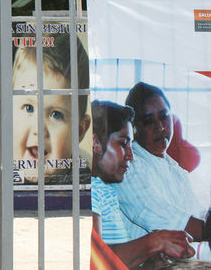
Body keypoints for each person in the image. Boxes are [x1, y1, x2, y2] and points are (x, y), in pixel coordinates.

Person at [90, 100, 194, 269]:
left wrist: (148, 261)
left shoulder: (105, 190)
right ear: (95, 143)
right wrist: (155, 241)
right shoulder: (89, 192)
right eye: (123, 143)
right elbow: (93, 260)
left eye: (131, 145)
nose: (130, 155)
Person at [113, 82, 210, 260]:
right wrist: (207, 229)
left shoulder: (175, 169)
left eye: (164, 116)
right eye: (148, 121)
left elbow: (197, 214)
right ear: (134, 127)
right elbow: (165, 219)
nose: (160, 126)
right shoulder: (128, 166)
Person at [11, 31, 91, 184]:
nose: (39, 129)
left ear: (80, 131)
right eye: (28, 108)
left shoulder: (84, 187)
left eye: (56, 115)